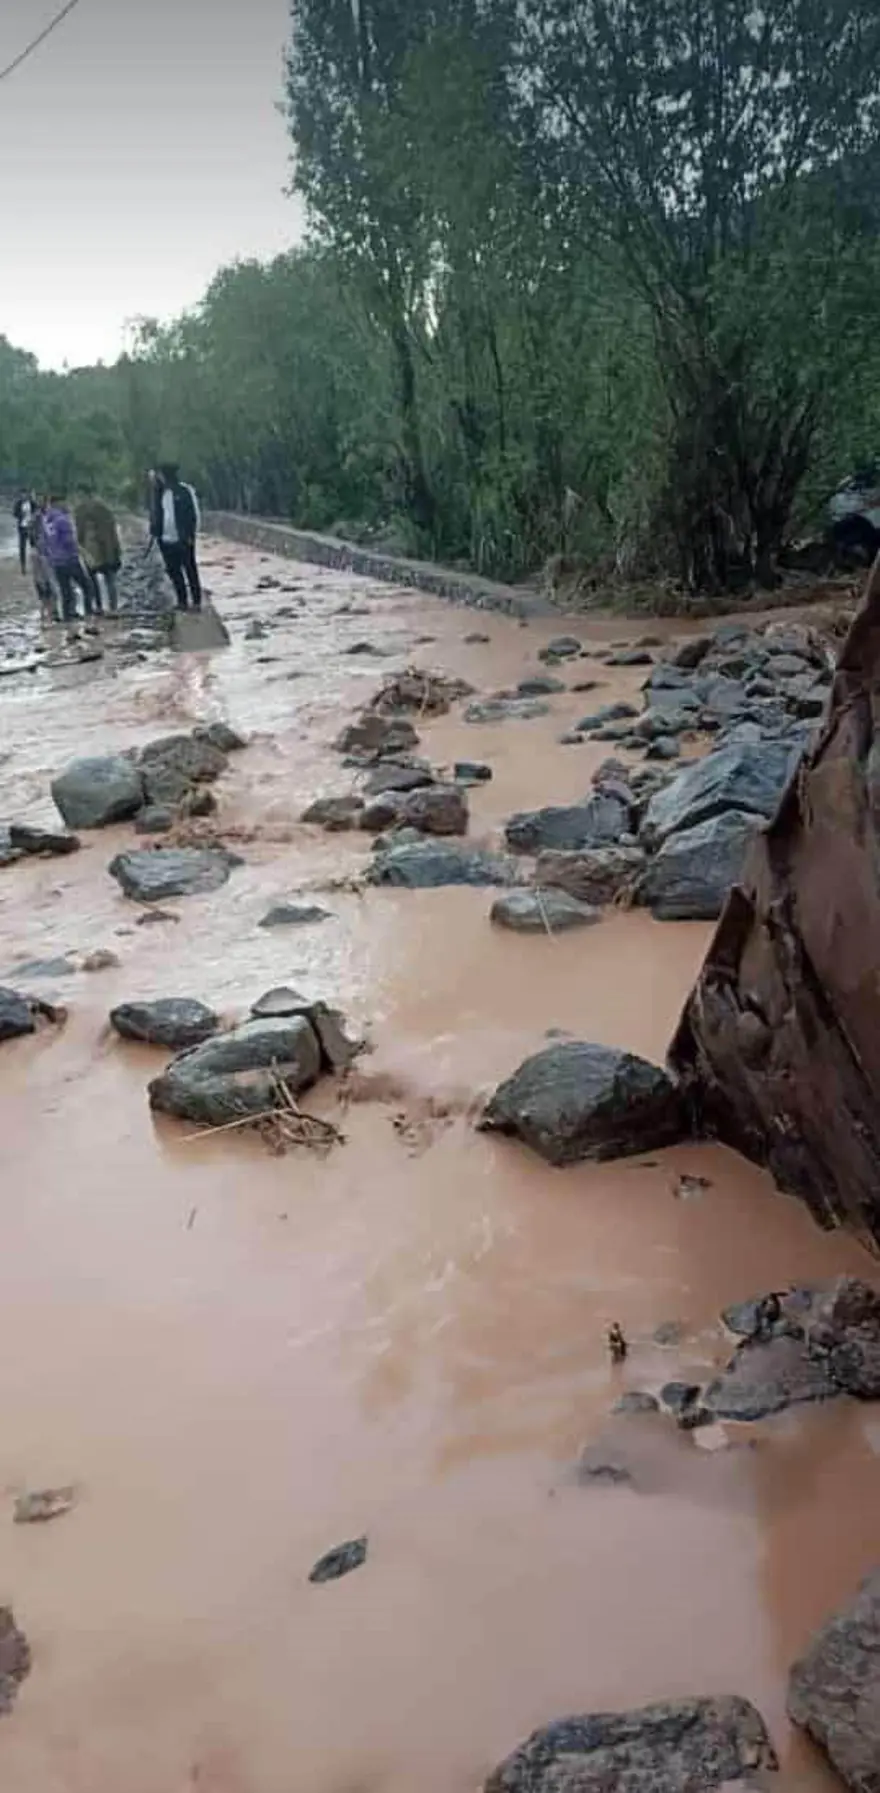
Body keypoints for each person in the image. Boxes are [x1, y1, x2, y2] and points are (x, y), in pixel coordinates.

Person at [150, 462, 202, 610]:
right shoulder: (159, 493)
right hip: (165, 539)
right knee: (173, 571)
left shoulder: (185, 491)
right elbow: (155, 514)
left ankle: (196, 601)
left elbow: (194, 514)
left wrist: (192, 534)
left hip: (183, 538)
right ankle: (182, 601)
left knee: (190, 569)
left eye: (159, 475)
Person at [40, 496, 96, 624]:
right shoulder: (62, 520)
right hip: (69, 560)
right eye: (65, 502)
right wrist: (85, 554)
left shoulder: (47, 520)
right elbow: (69, 542)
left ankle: (69, 629)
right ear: (58, 503)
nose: (68, 505)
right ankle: (89, 622)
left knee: (66, 594)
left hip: (56, 562)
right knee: (88, 587)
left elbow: (44, 543)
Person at [75, 488, 122, 614]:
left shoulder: (87, 510)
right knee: (101, 579)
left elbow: (111, 531)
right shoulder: (85, 510)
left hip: (100, 549)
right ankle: (107, 607)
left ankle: (105, 607)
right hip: (97, 549)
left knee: (102, 579)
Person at [12, 490, 36, 574]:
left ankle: (35, 564)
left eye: (25, 494)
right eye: (22, 495)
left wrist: (33, 517)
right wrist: (21, 514)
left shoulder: (32, 503)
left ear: (27, 494)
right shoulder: (18, 503)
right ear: (20, 495)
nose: (24, 496)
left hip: (32, 528)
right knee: (22, 547)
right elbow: (14, 514)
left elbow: (37, 512)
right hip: (22, 527)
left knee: (34, 546)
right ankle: (23, 566)